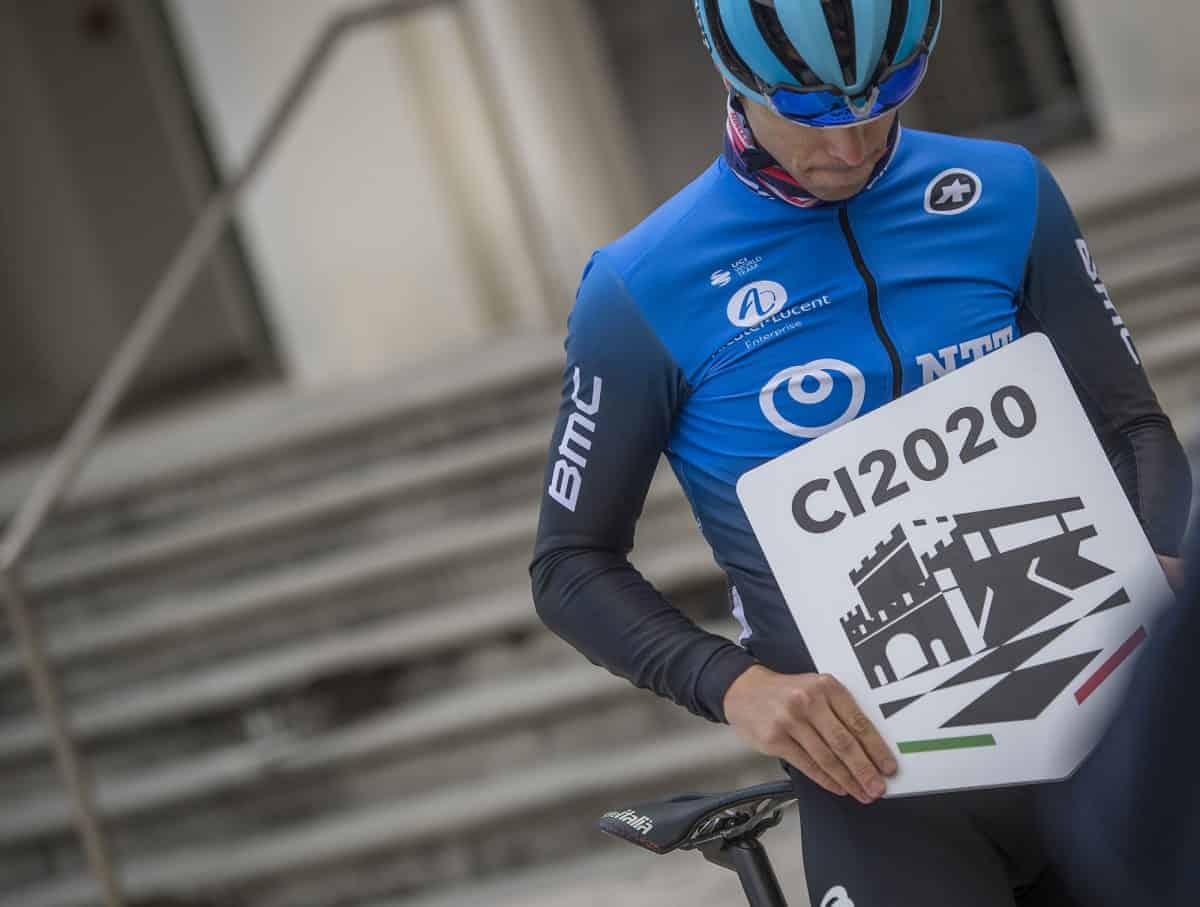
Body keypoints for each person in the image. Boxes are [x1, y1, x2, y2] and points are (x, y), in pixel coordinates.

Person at [529, 1, 1192, 903]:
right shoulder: (639, 287)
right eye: (809, 115)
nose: (850, 147)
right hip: (881, 782)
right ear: (733, 76)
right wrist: (737, 685)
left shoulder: (1004, 191)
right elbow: (569, 564)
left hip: (1105, 715)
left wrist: (1158, 556)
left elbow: (1132, 425)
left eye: (883, 101)